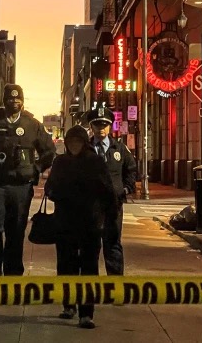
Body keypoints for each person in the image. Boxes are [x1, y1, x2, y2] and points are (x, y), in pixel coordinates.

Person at [0, 84, 56, 276]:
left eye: (18, 99)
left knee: (16, 233)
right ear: (4, 101)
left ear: (22, 102)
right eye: (10, 98)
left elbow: (49, 151)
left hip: (21, 187)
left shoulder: (32, 125)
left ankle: (13, 274)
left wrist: (36, 168)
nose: (14, 101)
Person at [45, 124, 117, 329]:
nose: (74, 145)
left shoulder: (94, 162)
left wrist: (108, 217)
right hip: (66, 222)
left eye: (77, 141)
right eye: (71, 142)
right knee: (66, 265)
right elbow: (50, 186)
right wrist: (56, 193)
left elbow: (107, 191)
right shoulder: (61, 162)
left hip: (90, 224)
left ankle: (86, 313)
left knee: (88, 267)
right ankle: (68, 306)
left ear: (84, 143)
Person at [86, 107, 137, 275]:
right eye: (97, 125)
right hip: (90, 207)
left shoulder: (119, 149)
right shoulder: (85, 150)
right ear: (91, 127)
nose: (101, 128)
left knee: (113, 243)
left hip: (113, 205)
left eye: (105, 125)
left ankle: (115, 287)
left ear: (110, 127)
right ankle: (90, 287)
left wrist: (126, 188)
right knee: (90, 246)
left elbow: (131, 170)